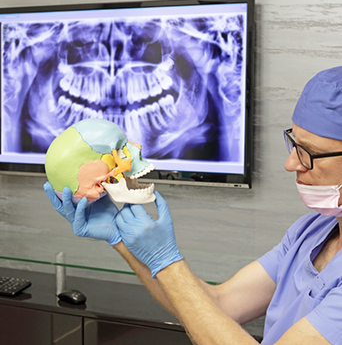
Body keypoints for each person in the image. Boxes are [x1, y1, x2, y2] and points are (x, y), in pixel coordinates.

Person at [44, 66, 342, 345]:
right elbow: (220, 305)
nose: (290, 164)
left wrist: (167, 262)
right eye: (294, 144)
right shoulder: (311, 232)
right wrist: (122, 239)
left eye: (309, 153)